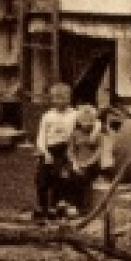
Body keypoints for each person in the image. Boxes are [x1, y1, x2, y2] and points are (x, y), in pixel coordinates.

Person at [33, 83, 78, 220]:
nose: (59, 101)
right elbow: (41, 137)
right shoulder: (47, 116)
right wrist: (45, 152)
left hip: (66, 150)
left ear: (69, 98)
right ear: (52, 99)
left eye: (63, 98)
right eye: (56, 98)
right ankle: (42, 207)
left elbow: (89, 126)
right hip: (49, 150)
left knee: (61, 177)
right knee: (42, 179)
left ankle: (56, 207)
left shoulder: (75, 115)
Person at [61, 105, 106, 215]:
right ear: (79, 121)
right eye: (84, 120)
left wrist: (86, 163)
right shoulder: (75, 133)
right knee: (68, 176)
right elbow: (70, 151)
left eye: (90, 120)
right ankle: (71, 205)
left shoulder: (97, 135)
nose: (86, 123)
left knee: (83, 177)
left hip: (91, 164)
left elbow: (98, 152)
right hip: (77, 163)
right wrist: (75, 163)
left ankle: (82, 207)